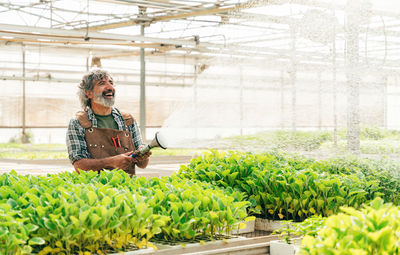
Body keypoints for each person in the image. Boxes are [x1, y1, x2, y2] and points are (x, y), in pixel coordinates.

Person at [66, 69, 151, 175]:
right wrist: (112, 162)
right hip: (94, 190)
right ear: (88, 93)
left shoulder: (127, 120)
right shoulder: (78, 123)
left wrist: (143, 155)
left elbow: (142, 165)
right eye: (102, 83)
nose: (110, 87)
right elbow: (79, 166)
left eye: (111, 83)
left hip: (127, 189)